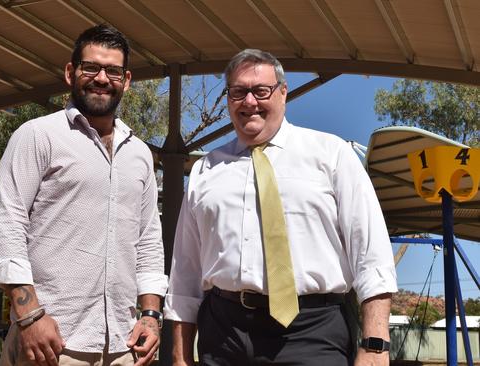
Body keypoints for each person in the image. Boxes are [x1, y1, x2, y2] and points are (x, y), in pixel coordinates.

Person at [164, 49, 398, 366]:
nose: (249, 102)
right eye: (238, 92)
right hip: (222, 335)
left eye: (261, 91)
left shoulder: (332, 155)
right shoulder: (207, 170)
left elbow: (371, 255)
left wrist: (374, 346)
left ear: (283, 92)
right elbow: (185, 273)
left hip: (312, 332)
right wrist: (180, 356)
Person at [0, 24, 167, 366]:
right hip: (51, 343)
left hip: (125, 347)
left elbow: (148, 242)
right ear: (71, 72)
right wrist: (29, 316)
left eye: (112, 70)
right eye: (91, 68)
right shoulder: (38, 136)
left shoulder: (140, 153)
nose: (102, 78)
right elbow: (5, 225)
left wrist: (151, 316)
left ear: (126, 80)